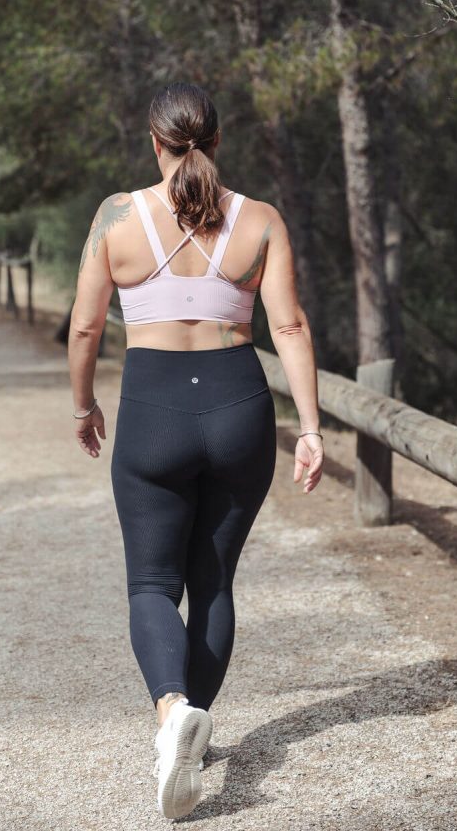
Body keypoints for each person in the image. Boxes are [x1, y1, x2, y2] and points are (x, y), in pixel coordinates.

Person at [68, 81, 324, 820]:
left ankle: (172, 713)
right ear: (218, 140)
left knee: (152, 585)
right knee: (212, 582)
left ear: (155, 141)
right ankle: (195, 731)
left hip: (152, 409)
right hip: (238, 406)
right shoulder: (261, 221)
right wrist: (308, 427)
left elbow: (86, 330)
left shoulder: (117, 216)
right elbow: (292, 329)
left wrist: (84, 405)